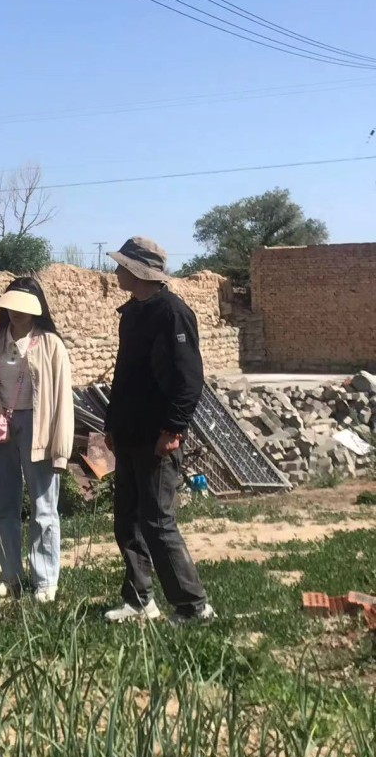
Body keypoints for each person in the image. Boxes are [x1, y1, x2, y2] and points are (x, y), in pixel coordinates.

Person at [103, 237, 215, 624]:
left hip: (157, 437)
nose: (116, 271)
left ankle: (193, 605)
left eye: (122, 266)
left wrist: (173, 429)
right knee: (127, 521)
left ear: (138, 271)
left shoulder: (173, 313)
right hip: (129, 433)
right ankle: (139, 600)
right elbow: (124, 375)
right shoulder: (132, 313)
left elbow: (189, 380)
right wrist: (111, 424)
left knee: (157, 522)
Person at [0, 278, 73, 603]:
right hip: (1, 425)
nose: (17, 312)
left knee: (43, 507)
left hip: (38, 426)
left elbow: (62, 400)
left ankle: (45, 581)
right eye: (12, 305)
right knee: (4, 505)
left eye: (24, 306)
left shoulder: (51, 344)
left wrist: (60, 449)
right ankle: (10, 575)